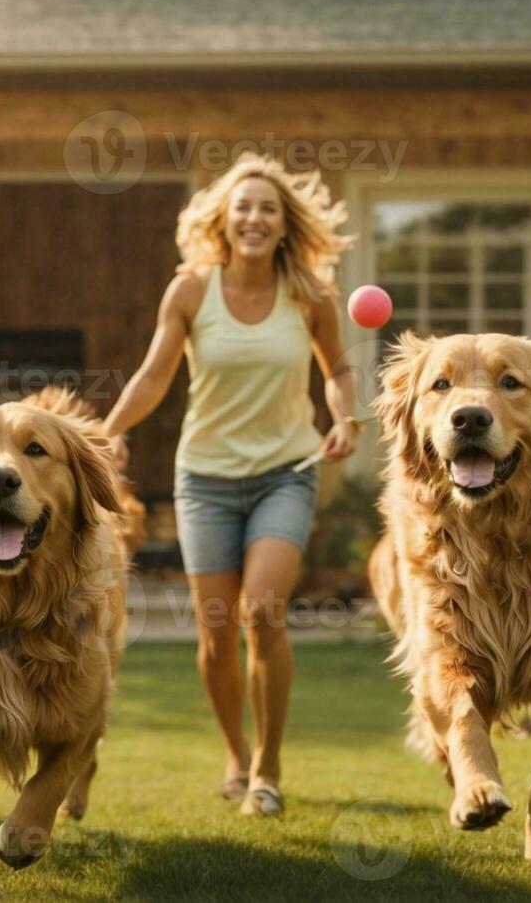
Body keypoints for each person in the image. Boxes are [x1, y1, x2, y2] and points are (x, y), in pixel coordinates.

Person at [102, 154, 359, 816]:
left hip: (286, 471)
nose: (253, 217)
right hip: (205, 478)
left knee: (262, 611)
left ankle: (269, 769)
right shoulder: (190, 290)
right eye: (242, 206)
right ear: (223, 218)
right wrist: (110, 427)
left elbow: (337, 371)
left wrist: (343, 415)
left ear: (283, 225)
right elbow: (155, 375)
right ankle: (236, 756)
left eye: (267, 208)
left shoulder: (310, 295)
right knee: (216, 633)